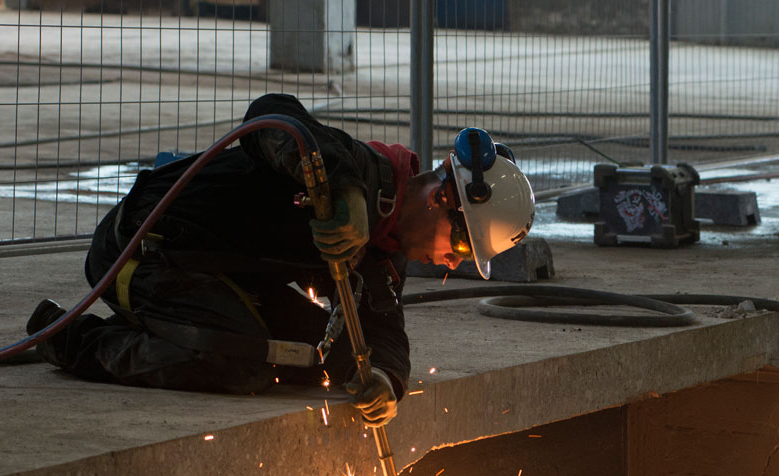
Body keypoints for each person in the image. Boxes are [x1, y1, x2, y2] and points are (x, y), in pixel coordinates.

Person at [31, 93, 535, 425]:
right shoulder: (357, 168)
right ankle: (73, 340)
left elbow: (383, 328)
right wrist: (345, 191)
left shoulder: (383, 251)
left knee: (317, 356)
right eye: (462, 247)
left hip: (215, 272)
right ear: (441, 200)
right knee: (241, 363)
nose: (452, 264)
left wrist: (386, 380)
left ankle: (169, 327)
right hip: (142, 250)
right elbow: (270, 115)